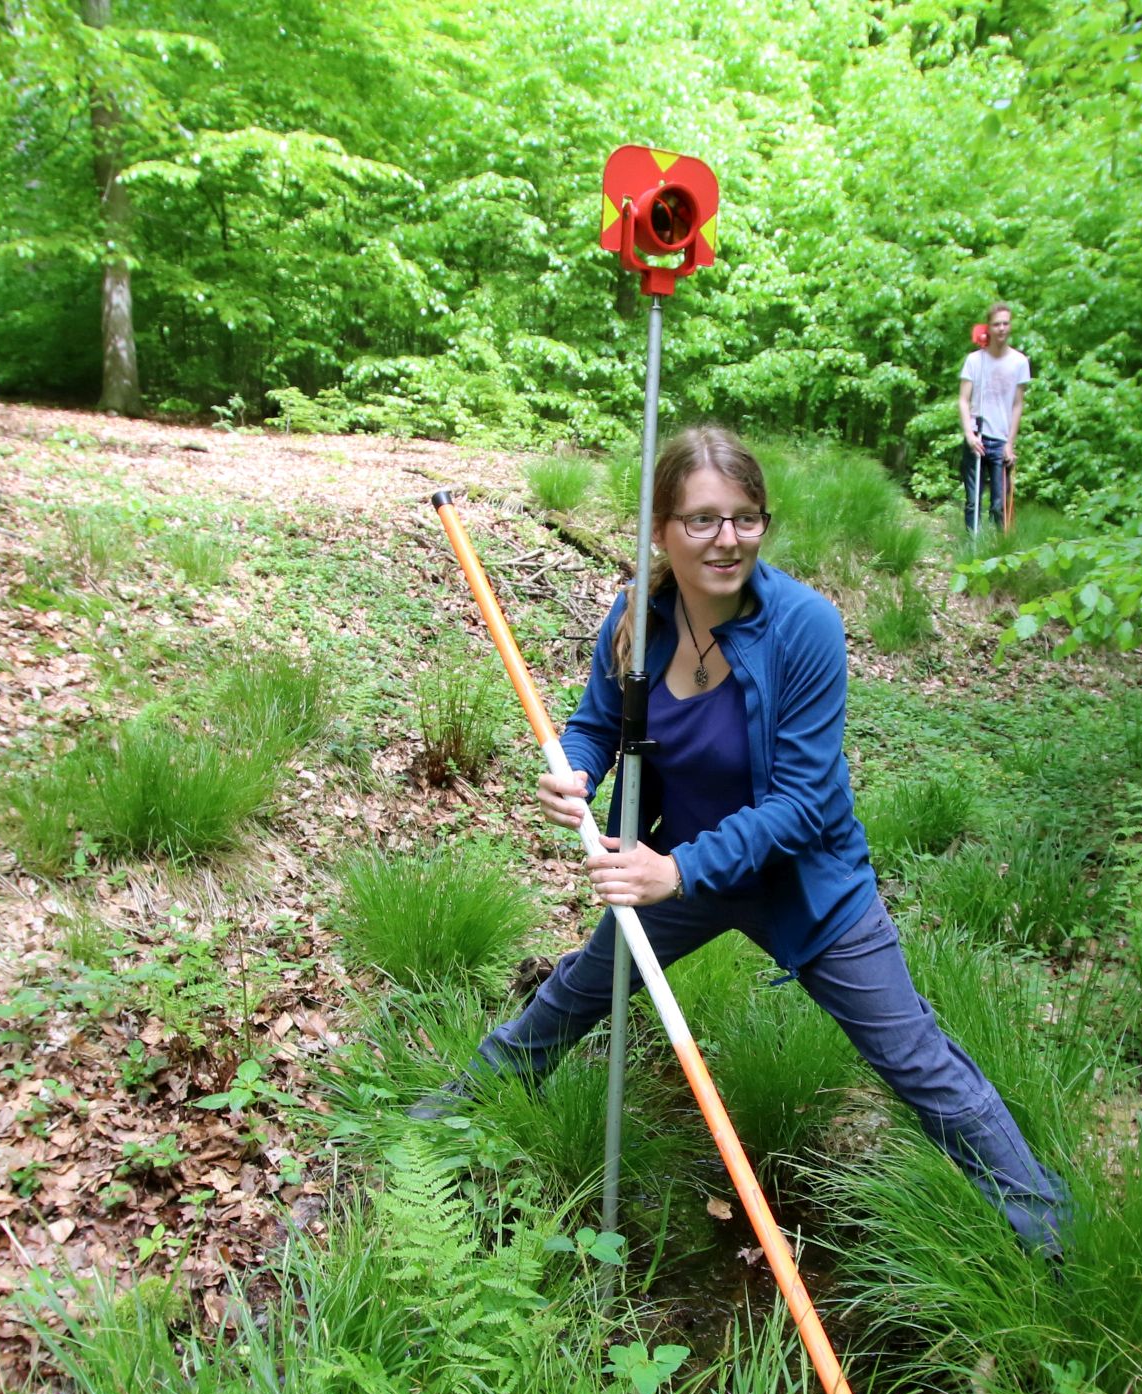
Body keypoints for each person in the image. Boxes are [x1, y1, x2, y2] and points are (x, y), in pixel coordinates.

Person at [421, 425, 1070, 1252]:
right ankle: (460, 1108)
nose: (727, 539)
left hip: (804, 880)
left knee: (913, 1056)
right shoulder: (636, 617)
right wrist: (577, 771)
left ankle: (1049, 1237)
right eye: (701, 520)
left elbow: (804, 802)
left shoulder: (806, 626)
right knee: (580, 990)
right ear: (661, 530)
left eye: (745, 518)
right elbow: (596, 725)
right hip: (681, 868)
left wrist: (677, 871)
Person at [957, 302, 1029, 539]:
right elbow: (963, 400)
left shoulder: (1019, 362)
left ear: (1010, 326)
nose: (1001, 328)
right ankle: (970, 550)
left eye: (1005, 323)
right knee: (973, 501)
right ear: (988, 326)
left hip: (1001, 440)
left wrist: (1010, 443)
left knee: (1000, 505)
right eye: (996, 324)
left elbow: (1018, 404)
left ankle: (1000, 553)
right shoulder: (975, 361)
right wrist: (969, 435)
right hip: (977, 437)